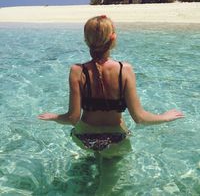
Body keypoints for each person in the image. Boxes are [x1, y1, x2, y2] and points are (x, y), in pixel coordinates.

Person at [38, 15, 184, 157]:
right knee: (109, 180)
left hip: (84, 138)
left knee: (84, 172)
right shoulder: (124, 70)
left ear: (86, 40)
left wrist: (54, 117)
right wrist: (164, 117)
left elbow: (72, 119)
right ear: (113, 38)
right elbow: (140, 118)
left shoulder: (77, 71)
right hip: (116, 140)